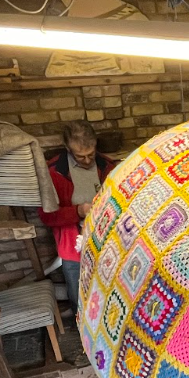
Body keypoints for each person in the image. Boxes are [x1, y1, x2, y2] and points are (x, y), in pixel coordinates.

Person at [38, 120, 117, 315]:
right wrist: (78, 212)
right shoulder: (54, 172)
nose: (88, 160)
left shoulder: (106, 166)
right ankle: (80, 331)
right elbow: (47, 217)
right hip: (73, 246)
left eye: (91, 154)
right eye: (81, 157)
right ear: (67, 149)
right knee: (78, 294)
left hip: (106, 243)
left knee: (109, 291)